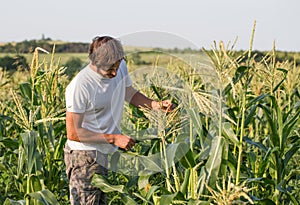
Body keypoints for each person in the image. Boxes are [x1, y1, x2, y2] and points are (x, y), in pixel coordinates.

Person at [64, 36, 174, 205]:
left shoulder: (119, 66)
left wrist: (156, 105)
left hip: (104, 152)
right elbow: (73, 133)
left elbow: (128, 93)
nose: (115, 73)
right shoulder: (80, 86)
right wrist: (115, 138)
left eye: (117, 66)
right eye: (110, 69)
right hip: (84, 156)